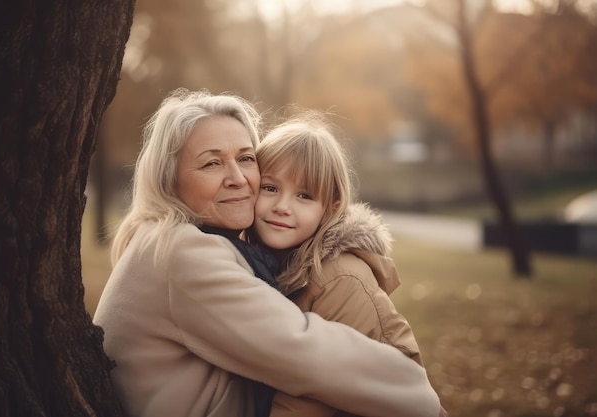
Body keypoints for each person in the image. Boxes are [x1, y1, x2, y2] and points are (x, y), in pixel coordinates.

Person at [92, 88, 442, 417]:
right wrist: (416, 388)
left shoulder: (163, 240)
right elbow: (301, 350)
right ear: (170, 179)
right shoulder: (181, 252)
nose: (238, 178)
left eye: (246, 158)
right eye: (211, 164)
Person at [248, 114, 441, 417]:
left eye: (303, 196)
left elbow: (311, 389)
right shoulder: (268, 266)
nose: (282, 207)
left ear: (331, 208)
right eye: (270, 188)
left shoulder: (339, 278)